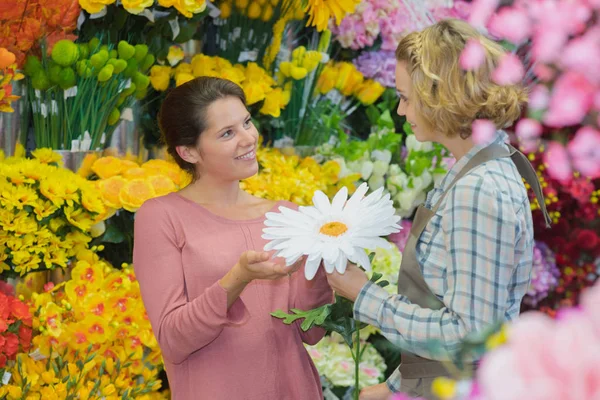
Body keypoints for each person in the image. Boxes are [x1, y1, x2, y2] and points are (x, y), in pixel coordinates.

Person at [326, 19, 551, 400]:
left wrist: (364, 296)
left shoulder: (478, 190)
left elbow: (469, 337)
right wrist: (397, 386)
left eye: (406, 97)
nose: (400, 110)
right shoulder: (476, 168)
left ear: (439, 95)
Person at [132, 77, 333, 399]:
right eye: (227, 133)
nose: (248, 138)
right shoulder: (161, 217)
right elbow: (173, 340)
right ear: (188, 152)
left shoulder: (289, 216)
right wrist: (237, 279)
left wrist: (330, 257)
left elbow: (313, 332)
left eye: (247, 123)